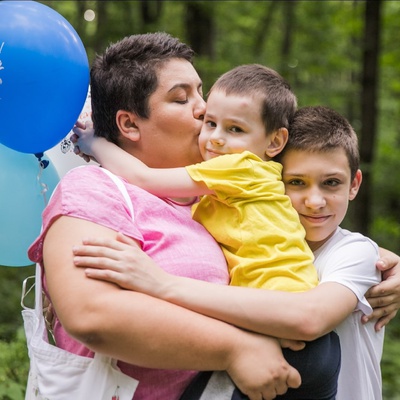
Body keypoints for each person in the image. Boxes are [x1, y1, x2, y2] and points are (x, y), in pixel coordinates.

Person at [27, 32, 302, 400]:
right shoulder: (95, 187)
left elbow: (279, 243)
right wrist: (235, 348)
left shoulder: (209, 201)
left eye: (201, 92)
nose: (204, 109)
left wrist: (366, 263)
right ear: (129, 125)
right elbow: (92, 313)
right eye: (181, 98)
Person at [72, 105, 391, 400]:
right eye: (296, 182)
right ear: (271, 178)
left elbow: (309, 317)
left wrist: (160, 283)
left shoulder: (356, 251)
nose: (314, 201)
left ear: (354, 184)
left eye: (331, 183)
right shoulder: (249, 241)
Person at [74, 63, 320, 293]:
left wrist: (96, 144)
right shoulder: (243, 176)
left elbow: (144, 177)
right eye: (210, 123)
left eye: (236, 129)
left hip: (279, 291)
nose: (216, 138)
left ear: (275, 141)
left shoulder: (239, 167)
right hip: (278, 291)